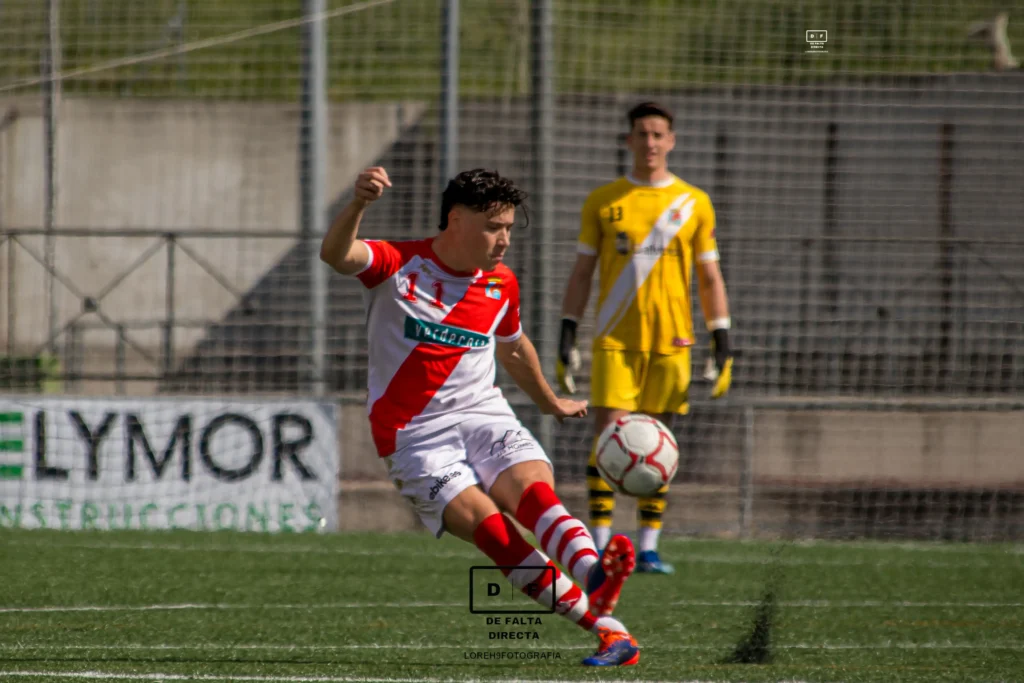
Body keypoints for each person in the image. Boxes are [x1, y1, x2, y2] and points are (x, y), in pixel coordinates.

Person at [320, 166, 641, 666]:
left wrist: (549, 402)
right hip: (414, 437)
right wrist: (359, 203)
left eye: (509, 227)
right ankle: (609, 631)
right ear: (456, 220)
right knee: (494, 533)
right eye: (494, 227)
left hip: (484, 415)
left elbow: (512, 347)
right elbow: (336, 255)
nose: (505, 239)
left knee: (533, 495)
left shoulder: (501, 283)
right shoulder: (398, 264)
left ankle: (596, 576)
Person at [557, 101, 734, 574]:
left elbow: (709, 277)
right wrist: (567, 330)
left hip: (672, 342)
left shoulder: (694, 202)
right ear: (628, 140)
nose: (650, 142)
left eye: (658, 134)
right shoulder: (604, 200)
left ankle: (649, 548)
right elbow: (582, 272)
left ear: (671, 141)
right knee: (610, 439)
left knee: (659, 443)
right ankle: (598, 546)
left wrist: (721, 336)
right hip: (615, 340)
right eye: (642, 133)